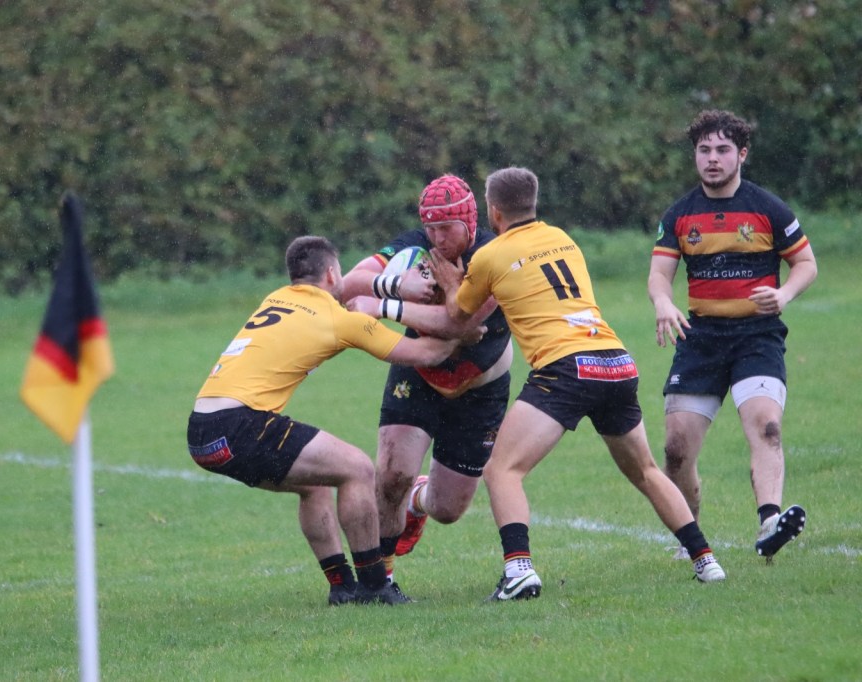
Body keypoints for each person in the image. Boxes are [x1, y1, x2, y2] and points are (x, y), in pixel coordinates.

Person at [430, 166, 726, 601]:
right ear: (533, 203)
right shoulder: (563, 238)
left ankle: (518, 570)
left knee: (502, 469)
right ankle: (706, 560)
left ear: (493, 211)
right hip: (614, 360)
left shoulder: (490, 255)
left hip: (565, 367)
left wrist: (450, 282)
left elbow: (458, 314)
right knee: (645, 470)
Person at [187, 236, 466, 606]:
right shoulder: (338, 320)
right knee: (357, 469)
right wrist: (465, 328)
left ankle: (342, 588)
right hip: (242, 424)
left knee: (316, 484)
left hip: (202, 431)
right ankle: (374, 586)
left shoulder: (275, 298)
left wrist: (389, 294)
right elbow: (425, 354)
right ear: (333, 274)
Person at [648, 109, 818, 560]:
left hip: (756, 336)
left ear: (742, 154)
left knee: (766, 425)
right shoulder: (680, 214)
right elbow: (660, 275)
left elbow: (806, 264)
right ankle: (691, 536)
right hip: (700, 339)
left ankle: (769, 523)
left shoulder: (768, 208)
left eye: (723, 149)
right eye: (704, 150)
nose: (712, 158)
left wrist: (783, 294)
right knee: (676, 450)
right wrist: (663, 302)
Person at [341, 174, 512, 589]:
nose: (437, 238)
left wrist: (383, 307)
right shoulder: (414, 245)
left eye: (446, 228)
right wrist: (395, 284)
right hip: (418, 372)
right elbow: (348, 283)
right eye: (430, 228)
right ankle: (381, 581)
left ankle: (419, 500)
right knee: (392, 475)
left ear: (469, 222)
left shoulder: (493, 255)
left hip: (480, 389)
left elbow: (459, 323)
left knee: (447, 509)